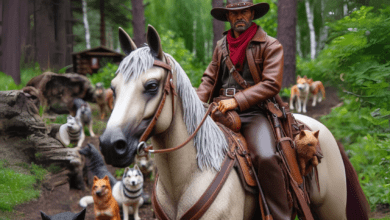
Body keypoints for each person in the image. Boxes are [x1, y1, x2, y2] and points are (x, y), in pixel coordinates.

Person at [196, 1, 291, 219]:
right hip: (219, 112)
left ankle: (280, 215)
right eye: (234, 13)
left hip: (254, 113)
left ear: (252, 14)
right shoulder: (221, 46)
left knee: (266, 157)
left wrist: (237, 100)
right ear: (228, 17)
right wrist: (195, 105)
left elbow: (271, 84)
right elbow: (209, 79)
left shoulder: (270, 45)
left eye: (244, 12)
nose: (239, 16)